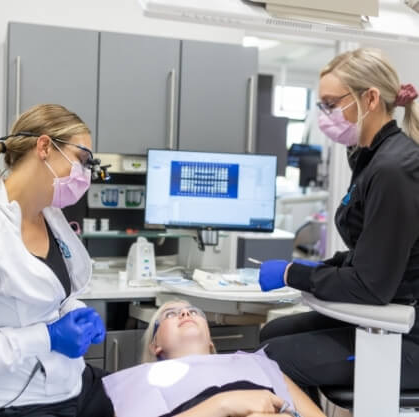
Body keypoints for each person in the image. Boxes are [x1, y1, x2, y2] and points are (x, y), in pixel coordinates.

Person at [257, 48, 419, 404]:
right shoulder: (373, 157)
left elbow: (371, 286)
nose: (325, 116)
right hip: (389, 310)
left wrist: (292, 274)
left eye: (331, 104)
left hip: (408, 332)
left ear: (371, 98)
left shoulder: (394, 168)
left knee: (274, 356)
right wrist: (326, 267)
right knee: (272, 333)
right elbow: (372, 252)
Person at [0, 104, 114, 416]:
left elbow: (49, 298)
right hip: (10, 404)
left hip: (73, 386)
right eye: (82, 160)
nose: (85, 175)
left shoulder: (52, 218)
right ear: (44, 146)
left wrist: (76, 312)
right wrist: (47, 338)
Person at [102, 300, 325, 417]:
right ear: (155, 345)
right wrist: (222, 404)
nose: (185, 314)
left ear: (211, 341)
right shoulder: (139, 382)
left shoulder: (257, 363)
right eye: (170, 314)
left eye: (194, 311)